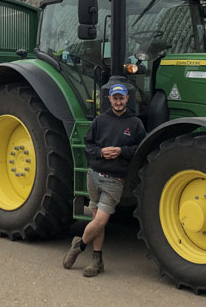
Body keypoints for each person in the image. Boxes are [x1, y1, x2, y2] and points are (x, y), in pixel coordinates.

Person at [63, 83, 147, 277]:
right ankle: (97, 260)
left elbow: (140, 149)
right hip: (93, 175)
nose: (118, 101)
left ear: (127, 99)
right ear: (109, 99)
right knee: (96, 220)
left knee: (100, 221)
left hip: (114, 179)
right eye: (115, 98)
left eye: (121, 98)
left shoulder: (135, 123)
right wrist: (101, 152)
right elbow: (88, 144)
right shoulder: (101, 120)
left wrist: (121, 151)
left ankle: (79, 244)